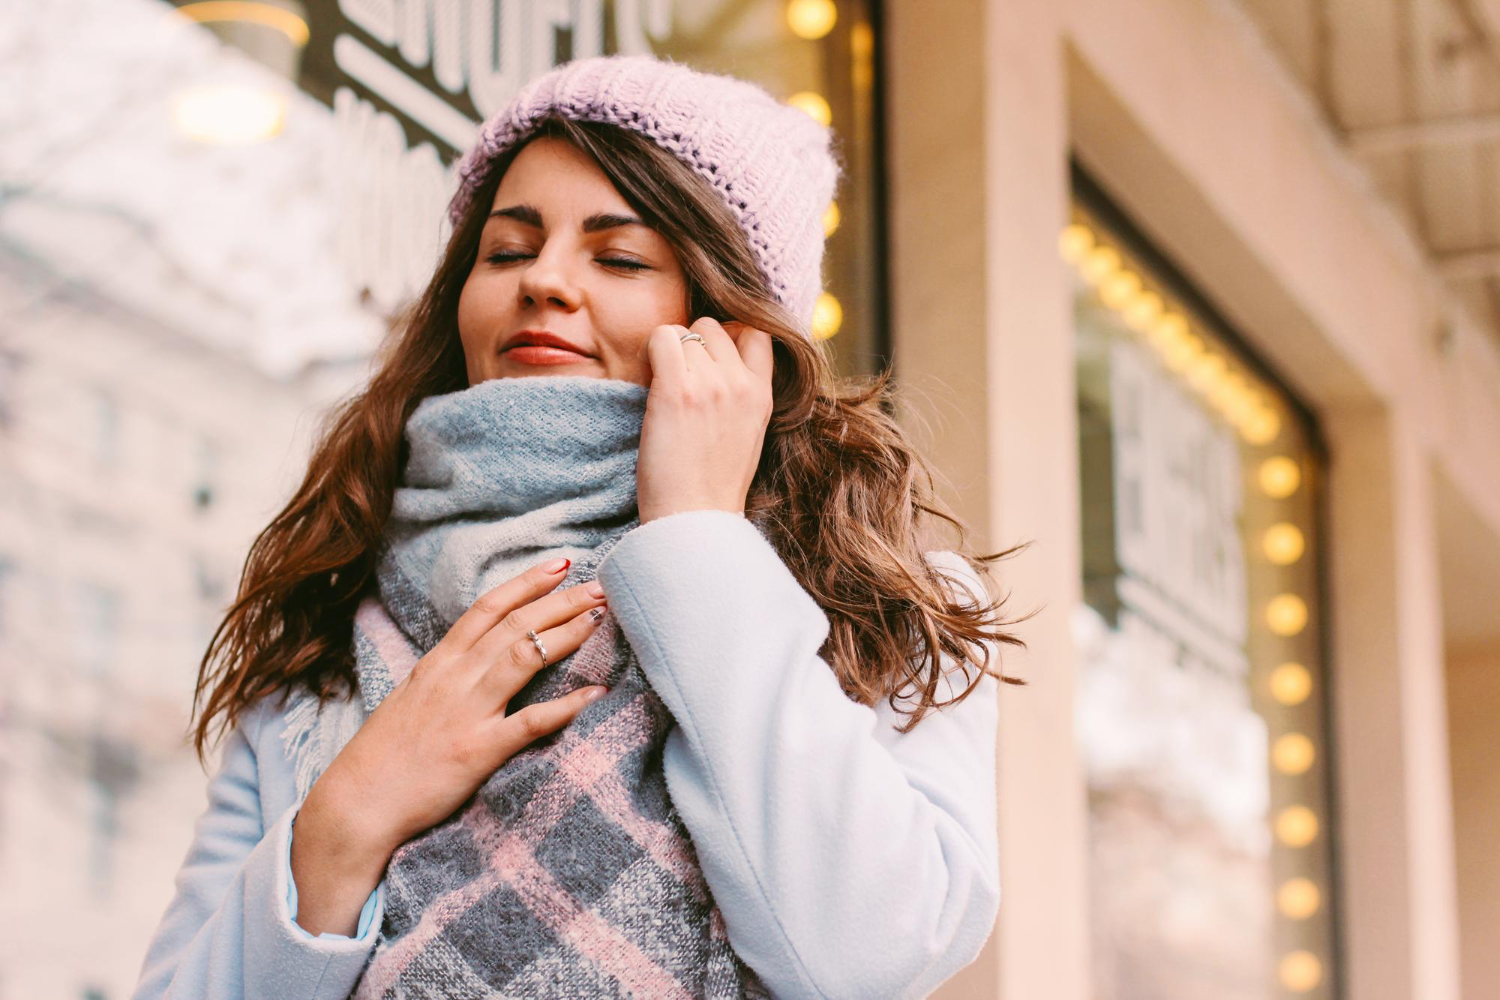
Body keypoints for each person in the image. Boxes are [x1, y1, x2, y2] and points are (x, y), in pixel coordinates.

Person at [132, 54, 1029, 1000]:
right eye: (508, 250)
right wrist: (355, 809)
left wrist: (696, 541)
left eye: (620, 257)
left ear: (732, 325)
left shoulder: (881, 606)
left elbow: (877, 952)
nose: (546, 282)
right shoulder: (331, 629)